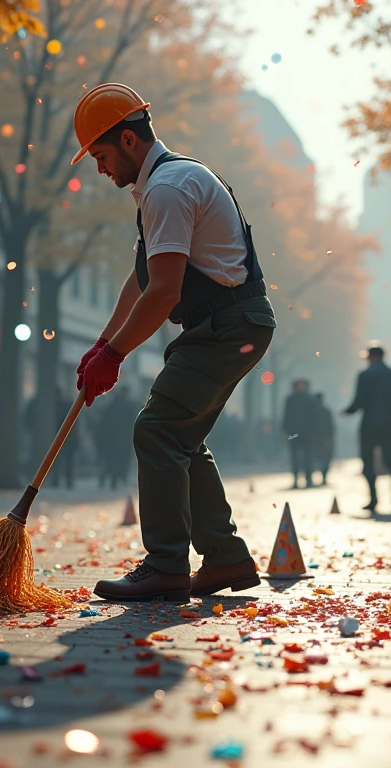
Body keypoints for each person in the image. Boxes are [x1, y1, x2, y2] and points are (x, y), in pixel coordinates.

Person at [70, 83, 275, 601]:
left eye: (100, 155)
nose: (99, 168)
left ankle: (165, 566)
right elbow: (142, 278)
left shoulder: (168, 188)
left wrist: (115, 355)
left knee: (157, 429)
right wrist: (103, 342)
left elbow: (164, 292)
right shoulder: (165, 182)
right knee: (180, 437)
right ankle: (225, 558)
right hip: (229, 324)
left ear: (129, 140)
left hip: (227, 326)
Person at [342, 342, 391, 511]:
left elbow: (359, 401)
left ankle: (373, 497)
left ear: (371, 357)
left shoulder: (364, 375)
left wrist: (347, 411)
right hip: (390, 425)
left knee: (368, 461)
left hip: (370, 424)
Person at [100, 385, 140, 488]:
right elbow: (133, 421)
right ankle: (118, 477)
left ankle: (105, 479)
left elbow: (104, 421)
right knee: (121, 458)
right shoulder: (129, 405)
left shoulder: (111, 405)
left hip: (111, 438)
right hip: (123, 437)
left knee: (110, 459)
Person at [282, 379, 317, 489]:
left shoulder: (305, 399)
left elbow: (314, 417)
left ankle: (308, 478)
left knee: (306, 456)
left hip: (302, 433)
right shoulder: (306, 399)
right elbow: (286, 416)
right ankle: (298, 479)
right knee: (296, 457)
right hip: (296, 433)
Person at [313, 392, 335, 485]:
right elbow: (331, 426)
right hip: (325, 439)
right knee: (325, 459)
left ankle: (311, 478)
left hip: (315, 440)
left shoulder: (311, 412)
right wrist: (329, 438)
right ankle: (324, 476)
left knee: (316, 458)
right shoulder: (326, 411)